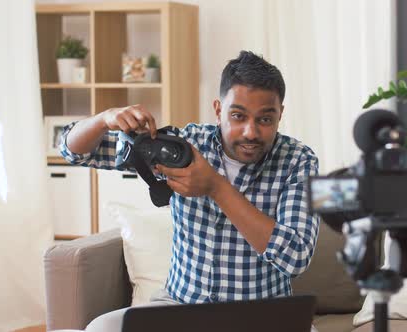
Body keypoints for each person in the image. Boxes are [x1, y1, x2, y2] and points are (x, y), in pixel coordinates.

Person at [60, 50, 320, 331]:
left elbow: (295, 256)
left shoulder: (299, 161)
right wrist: (104, 119)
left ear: (280, 114)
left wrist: (215, 186)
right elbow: (73, 151)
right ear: (218, 110)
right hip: (180, 307)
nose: (250, 132)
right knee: (103, 328)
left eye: (264, 120)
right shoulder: (184, 145)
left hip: (262, 317)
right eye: (238, 116)